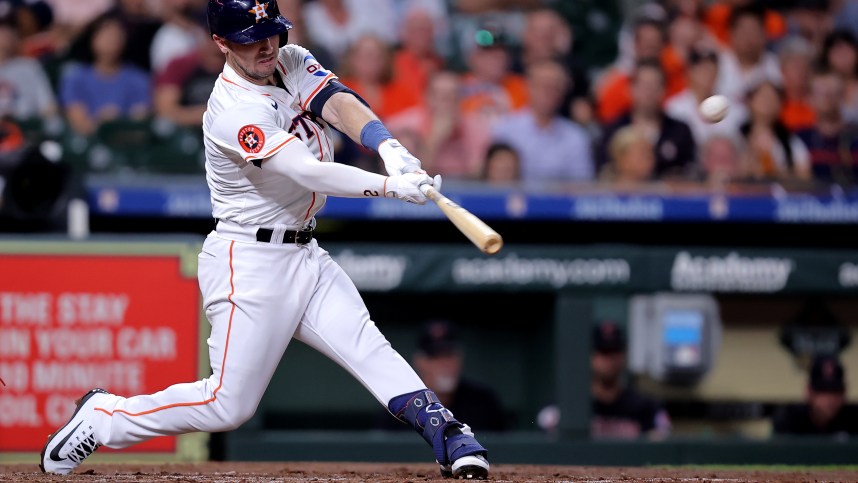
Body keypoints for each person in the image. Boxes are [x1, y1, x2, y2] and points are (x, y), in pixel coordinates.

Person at [39, 1, 490, 480]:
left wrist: (387, 146)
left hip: (305, 251)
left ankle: (449, 435)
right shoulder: (232, 110)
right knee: (227, 406)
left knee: (367, 345)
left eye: (271, 32)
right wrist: (387, 186)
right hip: (248, 260)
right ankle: (103, 418)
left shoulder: (288, 58)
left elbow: (337, 99)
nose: (266, 45)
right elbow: (303, 169)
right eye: (250, 37)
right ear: (221, 43)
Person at [377, 320, 507, 433]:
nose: (445, 364)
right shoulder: (400, 406)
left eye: (449, 355)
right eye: (436, 357)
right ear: (420, 362)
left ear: (460, 358)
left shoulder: (483, 402)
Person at [589, 321, 671, 440]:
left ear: (623, 355)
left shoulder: (647, 407)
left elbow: (662, 447)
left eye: (615, 351)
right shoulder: (573, 408)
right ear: (591, 356)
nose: (610, 359)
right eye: (604, 352)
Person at [772, 354, 858, 437]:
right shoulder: (790, 418)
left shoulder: (853, 418)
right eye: (823, 391)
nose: (830, 399)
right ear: (809, 391)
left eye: (836, 391)